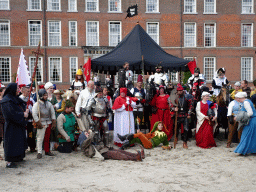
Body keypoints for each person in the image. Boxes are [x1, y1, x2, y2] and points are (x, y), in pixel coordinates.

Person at [0, 83, 29, 168]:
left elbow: (21, 104)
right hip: (11, 126)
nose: (18, 90)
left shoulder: (15, 98)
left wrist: (25, 111)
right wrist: (22, 114)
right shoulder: (6, 100)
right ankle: (9, 162)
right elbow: (10, 114)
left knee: (19, 142)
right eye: (17, 89)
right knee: (11, 143)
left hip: (18, 125)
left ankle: (18, 157)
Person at [32, 89, 56, 159]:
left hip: (48, 122)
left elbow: (52, 113)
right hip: (41, 123)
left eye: (46, 95)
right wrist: (38, 122)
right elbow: (34, 114)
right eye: (44, 95)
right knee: (40, 138)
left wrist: (54, 121)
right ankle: (39, 152)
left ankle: (47, 150)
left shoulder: (49, 104)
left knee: (47, 138)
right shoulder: (37, 105)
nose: (46, 97)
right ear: (41, 96)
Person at [170, 84, 192, 149]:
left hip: (185, 115)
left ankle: (185, 142)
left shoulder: (187, 97)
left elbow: (190, 106)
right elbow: (171, 106)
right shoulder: (175, 98)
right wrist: (174, 109)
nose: (179, 92)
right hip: (178, 115)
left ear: (183, 91)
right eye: (178, 91)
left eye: (180, 91)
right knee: (176, 128)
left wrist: (189, 114)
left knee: (186, 129)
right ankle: (176, 138)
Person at [19, 84, 36, 153]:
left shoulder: (31, 99)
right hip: (23, 120)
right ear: (23, 91)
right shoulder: (20, 99)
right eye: (27, 91)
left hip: (30, 120)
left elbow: (34, 107)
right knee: (23, 134)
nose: (29, 92)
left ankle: (32, 147)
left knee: (30, 134)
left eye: (29, 91)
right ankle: (23, 148)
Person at [0, 83, 6, 161]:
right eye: (4, 90)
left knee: (5, 139)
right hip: (1, 123)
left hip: (5, 122)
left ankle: (6, 153)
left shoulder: (5, 100)